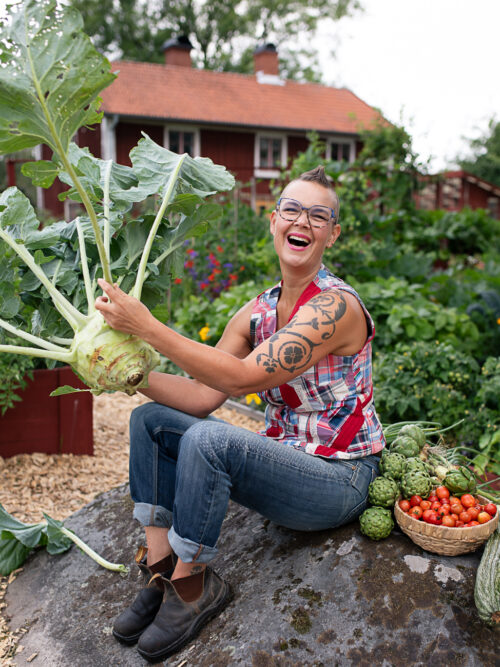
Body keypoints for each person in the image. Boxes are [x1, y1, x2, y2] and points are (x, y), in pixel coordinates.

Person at [95, 165, 385, 663]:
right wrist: (129, 378)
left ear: (333, 235)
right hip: (285, 459)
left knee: (212, 442)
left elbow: (244, 378)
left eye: (319, 216)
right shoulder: (258, 312)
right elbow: (203, 395)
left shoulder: (337, 308)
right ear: (273, 221)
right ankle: (162, 568)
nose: (303, 222)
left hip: (339, 479)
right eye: (292, 210)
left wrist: (146, 328)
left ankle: (194, 586)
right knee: (151, 421)